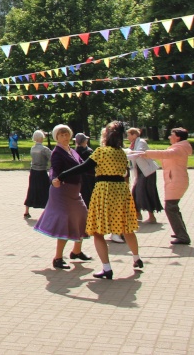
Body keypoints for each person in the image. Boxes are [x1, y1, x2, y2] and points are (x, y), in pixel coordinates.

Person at [55, 120, 142, 280]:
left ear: (105, 135)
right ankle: (136, 258)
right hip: (121, 190)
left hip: (104, 190)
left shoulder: (101, 152)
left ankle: (107, 268)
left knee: (97, 231)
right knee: (126, 227)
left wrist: (62, 175)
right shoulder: (122, 153)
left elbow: (84, 168)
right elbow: (123, 173)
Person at [33, 124, 91, 269]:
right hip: (62, 192)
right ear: (56, 137)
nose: (65, 137)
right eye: (61, 135)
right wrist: (54, 179)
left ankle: (76, 252)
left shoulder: (72, 151)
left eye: (66, 134)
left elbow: (83, 166)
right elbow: (54, 169)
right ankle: (58, 258)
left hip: (75, 192)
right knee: (64, 224)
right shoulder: (57, 152)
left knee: (83, 217)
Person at [136, 127, 193, 245]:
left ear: (177, 137)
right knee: (173, 208)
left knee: (170, 208)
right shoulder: (178, 147)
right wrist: (142, 154)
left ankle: (182, 236)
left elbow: (165, 154)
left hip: (176, 181)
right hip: (175, 180)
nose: (169, 136)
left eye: (171, 134)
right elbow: (163, 155)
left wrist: (145, 153)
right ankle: (180, 232)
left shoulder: (179, 148)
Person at [127, 127, 161, 223]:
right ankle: (138, 213)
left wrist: (125, 155)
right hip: (140, 172)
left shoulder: (141, 142)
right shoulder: (132, 144)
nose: (128, 137)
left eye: (129, 135)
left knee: (146, 192)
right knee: (135, 192)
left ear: (134, 135)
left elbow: (139, 153)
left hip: (148, 171)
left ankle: (151, 216)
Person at [24, 130, 52, 219]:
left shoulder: (32, 148)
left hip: (33, 171)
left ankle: (26, 210)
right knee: (46, 190)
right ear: (41, 138)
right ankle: (47, 210)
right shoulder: (44, 149)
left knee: (31, 189)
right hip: (42, 171)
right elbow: (52, 158)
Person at [74, 133, 96, 206]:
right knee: (89, 194)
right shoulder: (88, 152)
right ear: (84, 141)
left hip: (78, 176)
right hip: (89, 176)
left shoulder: (74, 152)